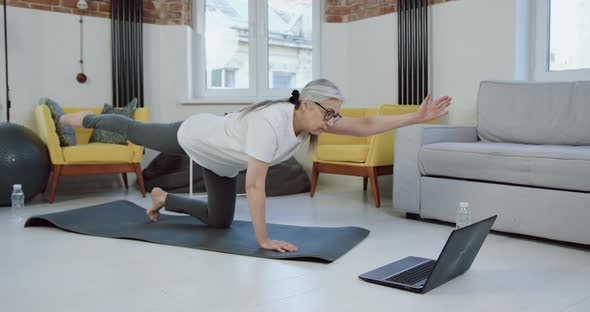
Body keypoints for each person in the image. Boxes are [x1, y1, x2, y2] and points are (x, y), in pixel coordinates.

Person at [60, 79, 451, 253]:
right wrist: (263, 240)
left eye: (336, 115)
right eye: (328, 113)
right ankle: (84, 118)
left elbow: (364, 126)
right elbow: (257, 187)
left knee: (219, 222)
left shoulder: (311, 121)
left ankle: (164, 198)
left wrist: (415, 118)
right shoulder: (273, 123)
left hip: (221, 162)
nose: (332, 122)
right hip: (196, 135)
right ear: (306, 105)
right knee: (137, 130)